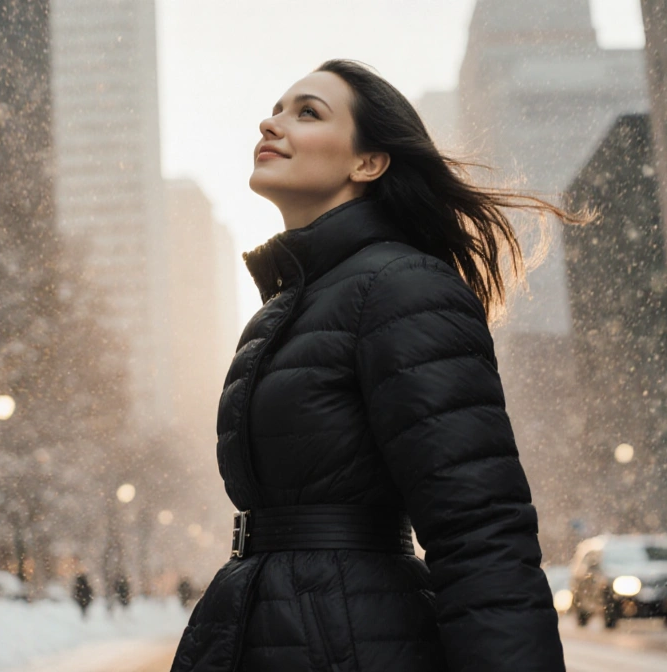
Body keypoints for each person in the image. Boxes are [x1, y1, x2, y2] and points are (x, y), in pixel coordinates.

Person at [169, 60, 581, 672]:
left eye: (307, 112)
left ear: (368, 161)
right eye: (276, 109)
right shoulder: (286, 308)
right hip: (269, 623)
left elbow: (478, 526)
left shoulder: (402, 286)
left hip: (353, 639)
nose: (272, 122)